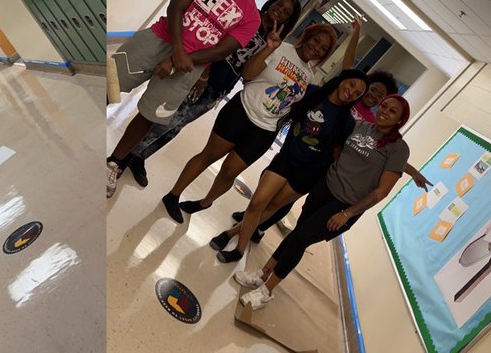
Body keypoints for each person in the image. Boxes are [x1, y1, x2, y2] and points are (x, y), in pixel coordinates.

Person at [106, 0, 274, 197]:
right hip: (158, 39)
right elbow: (176, 7)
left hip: (190, 65)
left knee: (149, 115)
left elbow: (220, 51)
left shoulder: (251, 17)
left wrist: (176, 61)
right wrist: (176, 52)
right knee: (110, 84)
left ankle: (115, 163)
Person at [232, 92, 413, 311]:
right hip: (324, 188)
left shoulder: (399, 149)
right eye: (384, 106)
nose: (384, 111)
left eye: (392, 111)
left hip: (344, 206)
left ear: (400, 120)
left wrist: (347, 214)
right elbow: (337, 147)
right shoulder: (361, 126)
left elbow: (381, 192)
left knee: (300, 239)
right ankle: (262, 274)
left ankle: (267, 290)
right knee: (298, 233)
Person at [162, 20, 357, 222]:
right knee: (209, 155)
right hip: (242, 111)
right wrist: (268, 49)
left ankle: (204, 203)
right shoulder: (280, 48)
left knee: (229, 172)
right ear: (307, 36)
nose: (316, 48)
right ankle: (173, 195)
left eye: (323, 49)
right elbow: (247, 74)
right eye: (316, 41)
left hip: (266, 130)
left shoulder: (308, 75)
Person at [116, 0, 302, 189]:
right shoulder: (249, 18)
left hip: (219, 88)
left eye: (285, 12)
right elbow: (216, 41)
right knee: (164, 116)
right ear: (272, 1)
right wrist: (204, 75)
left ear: (287, 21)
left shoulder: (272, 41)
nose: (279, 11)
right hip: (201, 75)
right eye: (279, 4)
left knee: (176, 126)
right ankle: (125, 155)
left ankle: (140, 157)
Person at [210, 69, 370, 263]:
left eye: (358, 93)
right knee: (257, 202)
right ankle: (236, 239)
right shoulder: (311, 93)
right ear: (342, 79)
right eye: (351, 85)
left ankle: (236, 244)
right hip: (286, 158)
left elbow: (338, 154)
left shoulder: (347, 122)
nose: (352, 92)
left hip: (309, 173)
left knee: (274, 205)